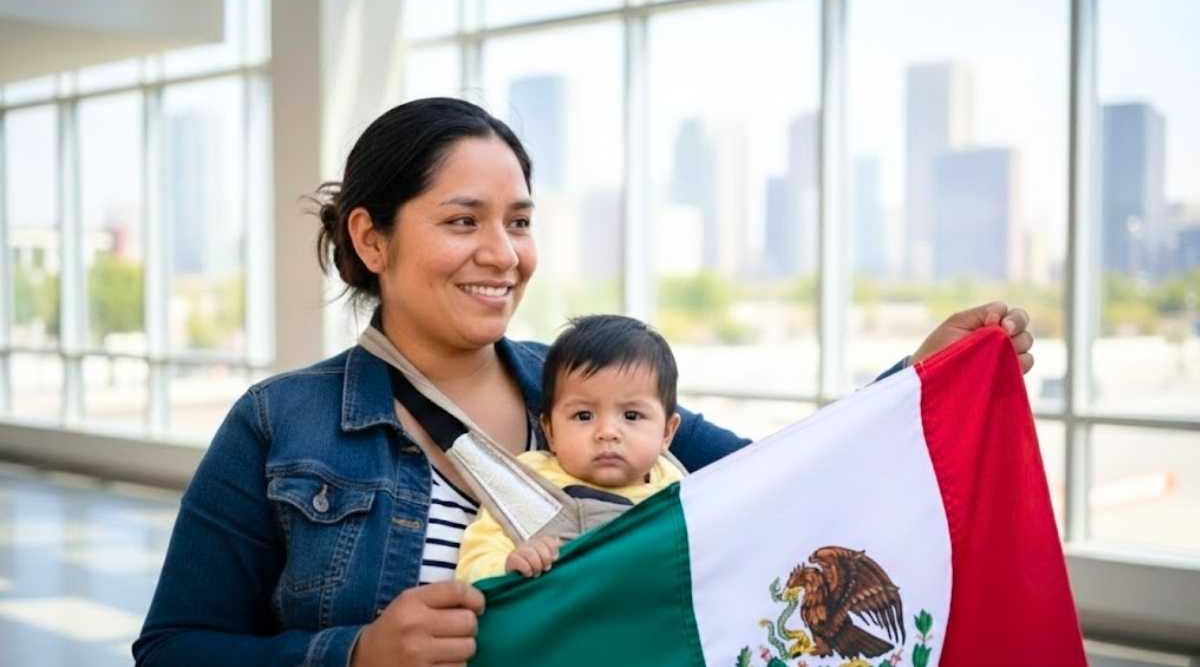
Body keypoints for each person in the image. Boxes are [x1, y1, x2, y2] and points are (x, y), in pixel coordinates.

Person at [133, 97, 1035, 667]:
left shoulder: (595, 394)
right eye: (462, 220)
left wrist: (917, 380)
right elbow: (174, 646)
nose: (502, 253)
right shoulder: (277, 424)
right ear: (372, 239)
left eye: (519, 221)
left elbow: (780, 488)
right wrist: (354, 652)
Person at [455, 314, 686, 583]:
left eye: (632, 416)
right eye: (584, 416)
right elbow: (472, 565)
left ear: (668, 432)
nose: (607, 433)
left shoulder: (679, 492)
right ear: (550, 431)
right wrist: (507, 565)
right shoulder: (526, 483)